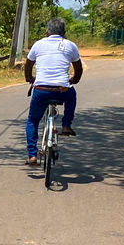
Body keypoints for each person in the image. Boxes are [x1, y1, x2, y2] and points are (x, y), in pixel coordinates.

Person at [23, 17, 83, 165]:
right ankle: (67, 125)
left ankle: (32, 155)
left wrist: (29, 78)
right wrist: (74, 80)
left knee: (32, 120)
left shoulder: (38, 44)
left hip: (41, 89)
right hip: (62, 89)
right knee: (72, 95)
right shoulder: (70, 45)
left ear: (47, 32)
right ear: (64, 33)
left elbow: (28, 64)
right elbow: (78, 68)